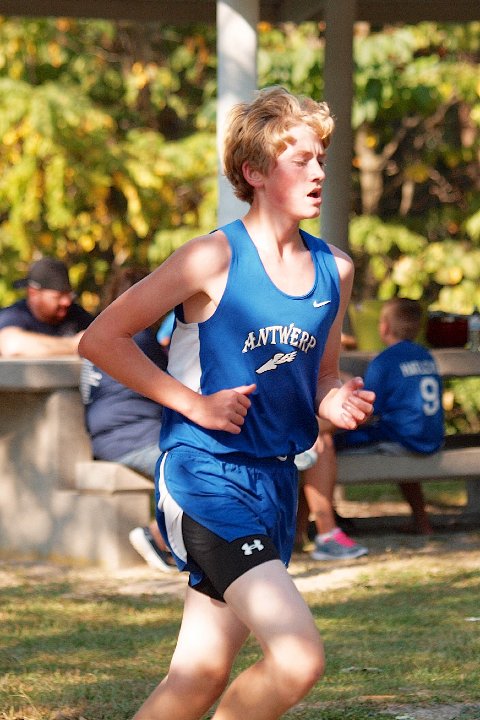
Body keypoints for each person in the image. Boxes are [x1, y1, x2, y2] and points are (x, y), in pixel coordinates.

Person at [79, 86, 375, 720]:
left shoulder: (336, 270)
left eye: (322, 158)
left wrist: (336, 401)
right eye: (301, 159)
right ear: (255, 172)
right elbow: (100, 339)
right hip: (205, 476)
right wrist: (195, 404)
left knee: (198, 676)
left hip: (276, 483)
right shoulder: (212, 256)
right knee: (297, 658)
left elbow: (323, 376)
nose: (319, 173)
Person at [299, 297, 444, 543]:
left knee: (318, 443)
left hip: (400, 438)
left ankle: (302, 529)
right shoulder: (426, 356)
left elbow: (364, 412)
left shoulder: (384, 360)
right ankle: (422, 522)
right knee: (387, 429)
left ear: (384, 327)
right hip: (430, 436)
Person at [80, 266, 176, 573]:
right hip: (130, 439)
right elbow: (175, 385)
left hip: (115, 437)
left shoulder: (110, 333)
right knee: (194, 465)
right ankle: (156, 536)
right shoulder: (137, 339)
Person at [0, 257, 92, 356]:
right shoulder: (14, 315)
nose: (66, 302)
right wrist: (74, 345)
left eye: (68, 295)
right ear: (33, 294)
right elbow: (11, 345)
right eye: (58, 297)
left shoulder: (75, 314)